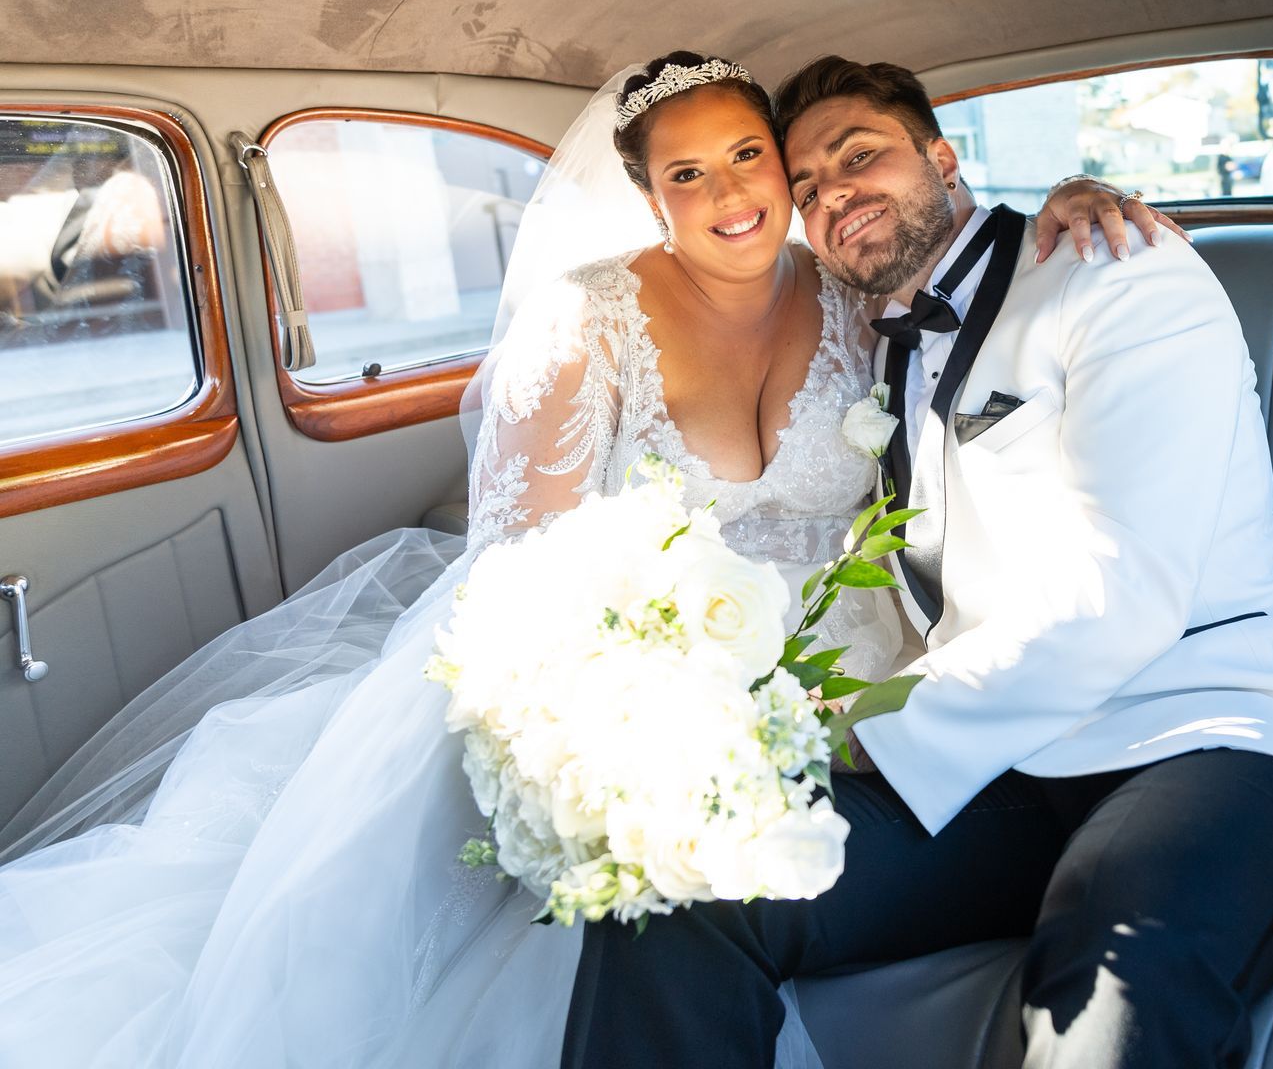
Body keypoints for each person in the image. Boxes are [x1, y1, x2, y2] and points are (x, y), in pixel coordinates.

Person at [0, 54, 1165, 1067]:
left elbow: (956, 249)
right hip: (632, 665)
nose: (730, 194)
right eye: (686, 174)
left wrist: (1065, 196)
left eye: (750, 157)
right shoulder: (584, 321)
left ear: (784, 171)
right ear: (653, 198)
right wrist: (641, 725)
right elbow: (521, 581)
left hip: (863, 670)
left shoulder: (857, 299)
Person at [562, 58, 1273, 1069]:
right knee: (682, 889)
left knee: (1112, 997)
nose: (836, 196)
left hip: (1207, 728)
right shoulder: (861, 333)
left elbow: (1123, 588)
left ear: (943, 158)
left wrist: (862, 728)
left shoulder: (1112, 270)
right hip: (1001, 768)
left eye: (859, 155)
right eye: (810, 190)